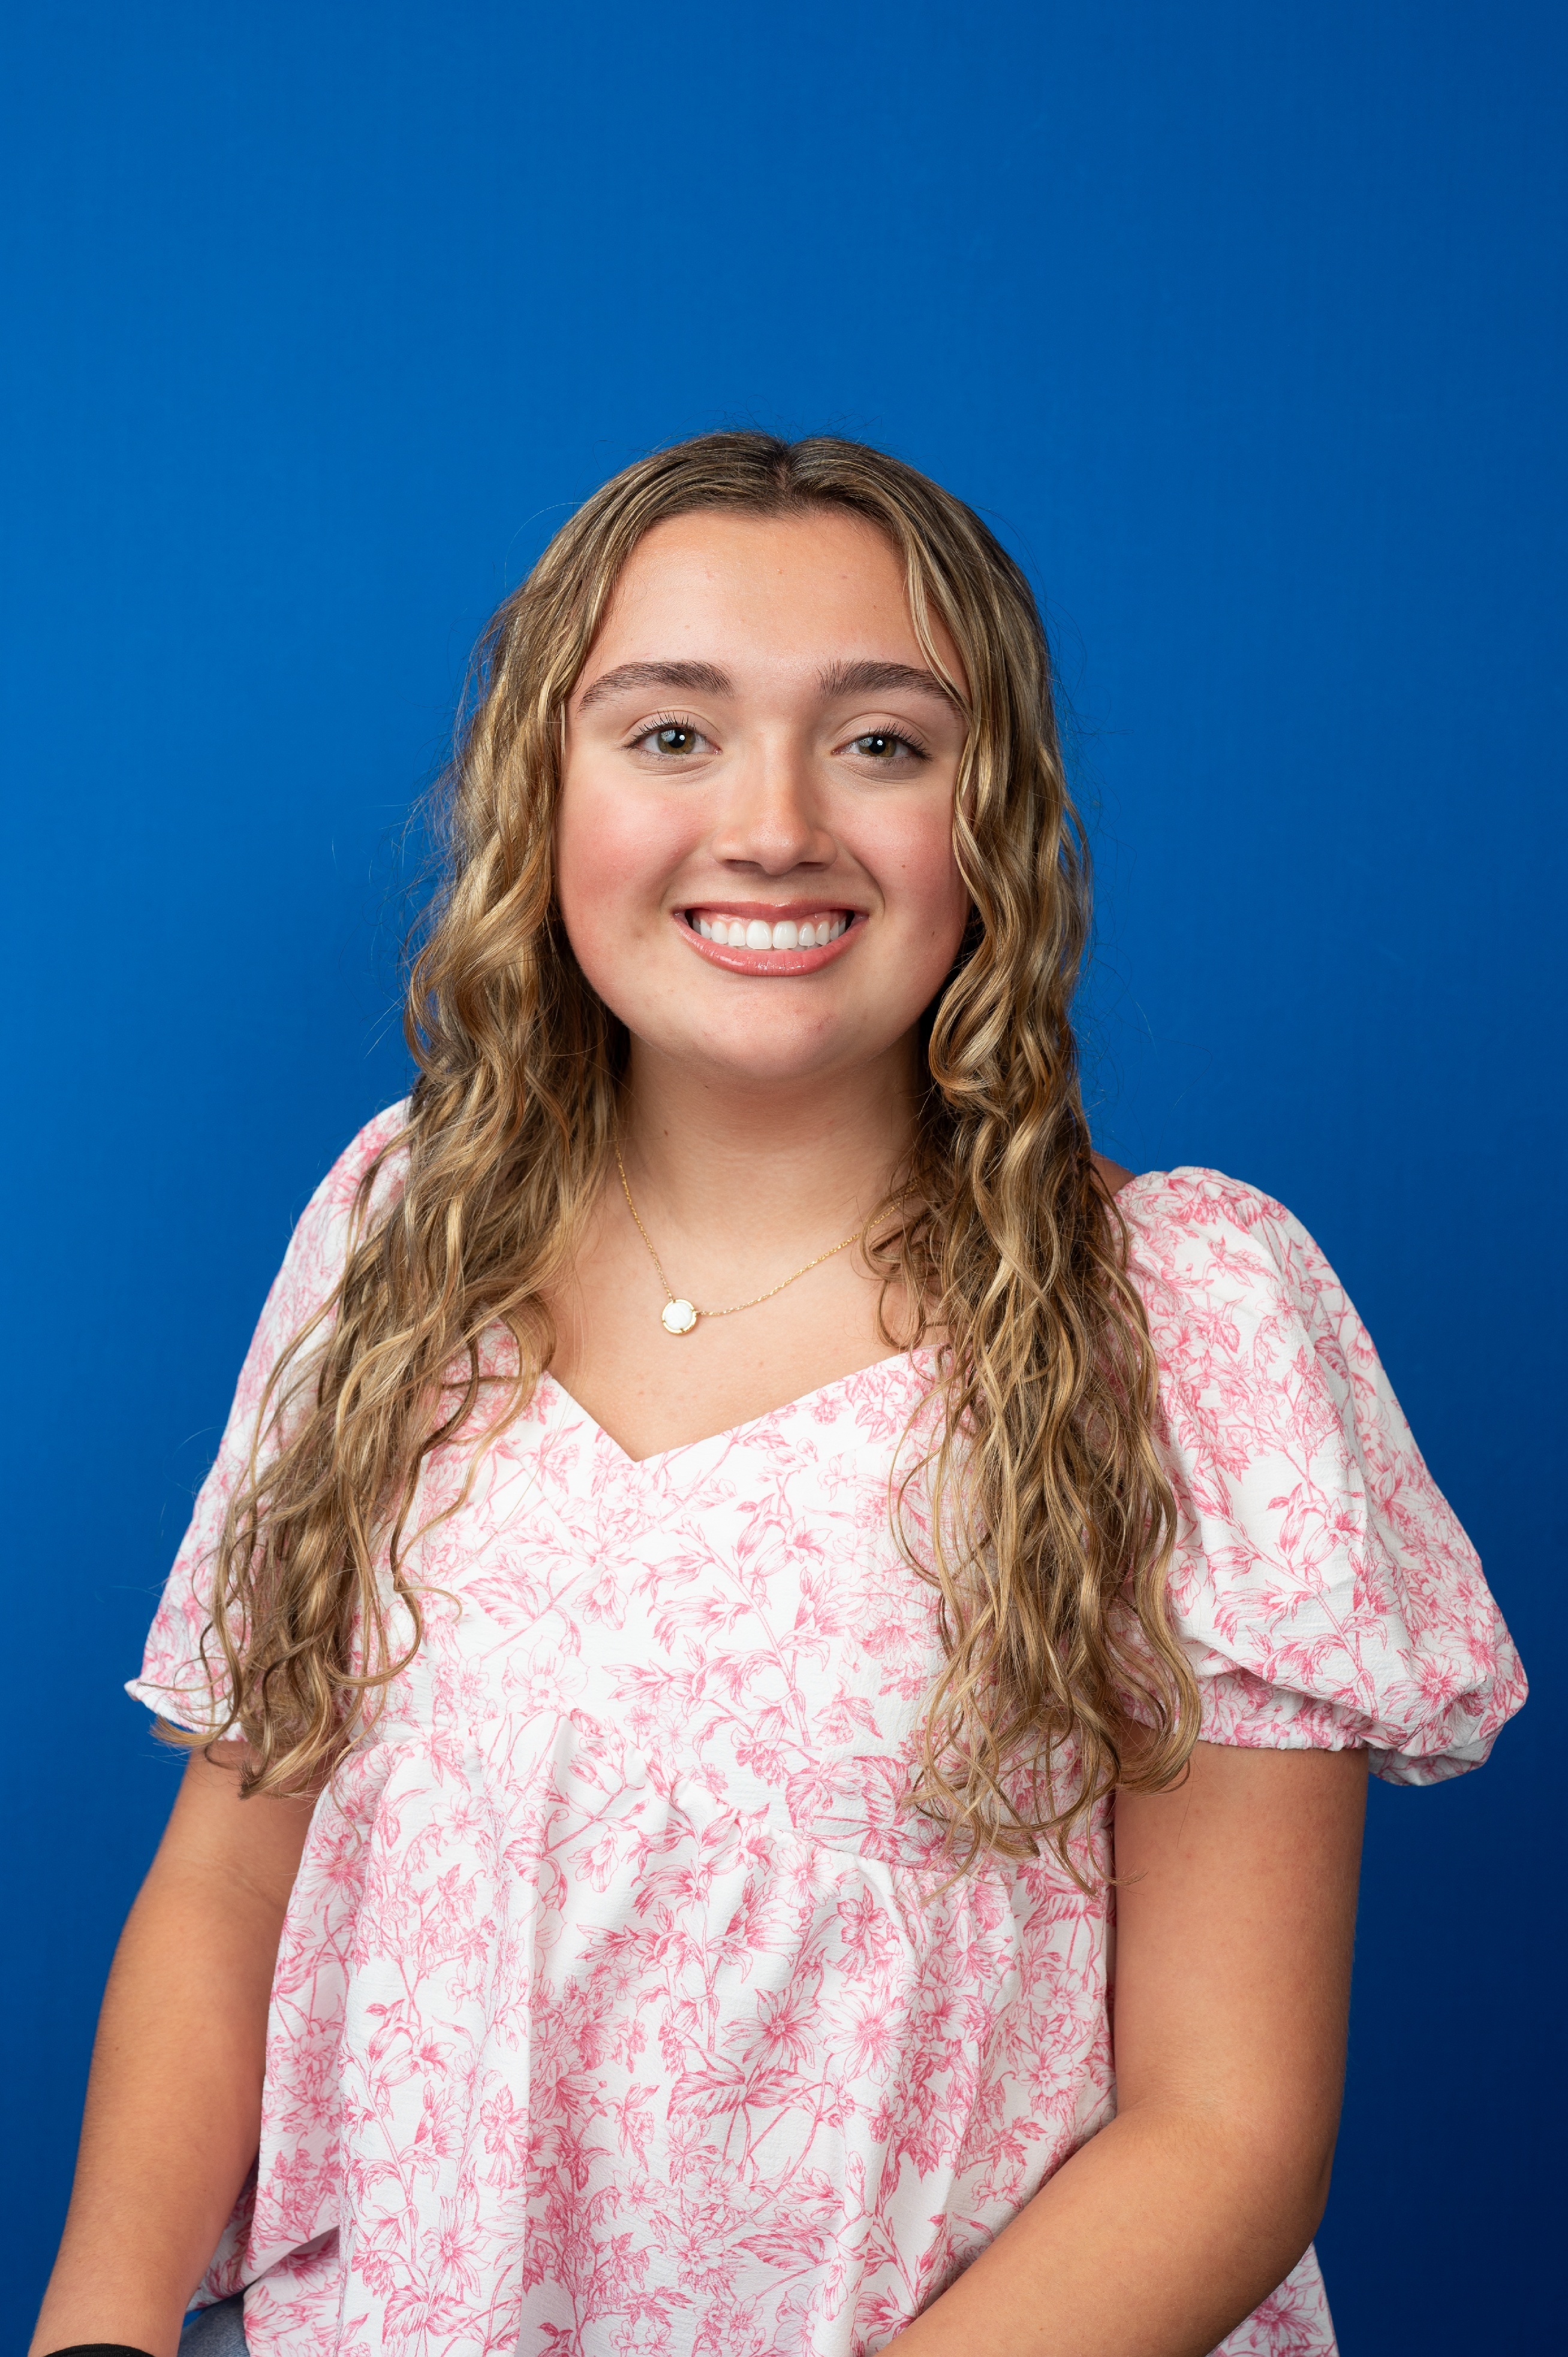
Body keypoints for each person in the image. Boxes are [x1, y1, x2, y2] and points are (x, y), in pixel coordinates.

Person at [32, 432, 1523, 2357]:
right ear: (543, 789)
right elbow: (231, 1887)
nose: (773, 824)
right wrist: (98, 2326)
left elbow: (1225, 2132)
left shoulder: (1185, 1324)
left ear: (995, 814)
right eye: (672, 733)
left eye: (881, 741)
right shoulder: (398, 1231)